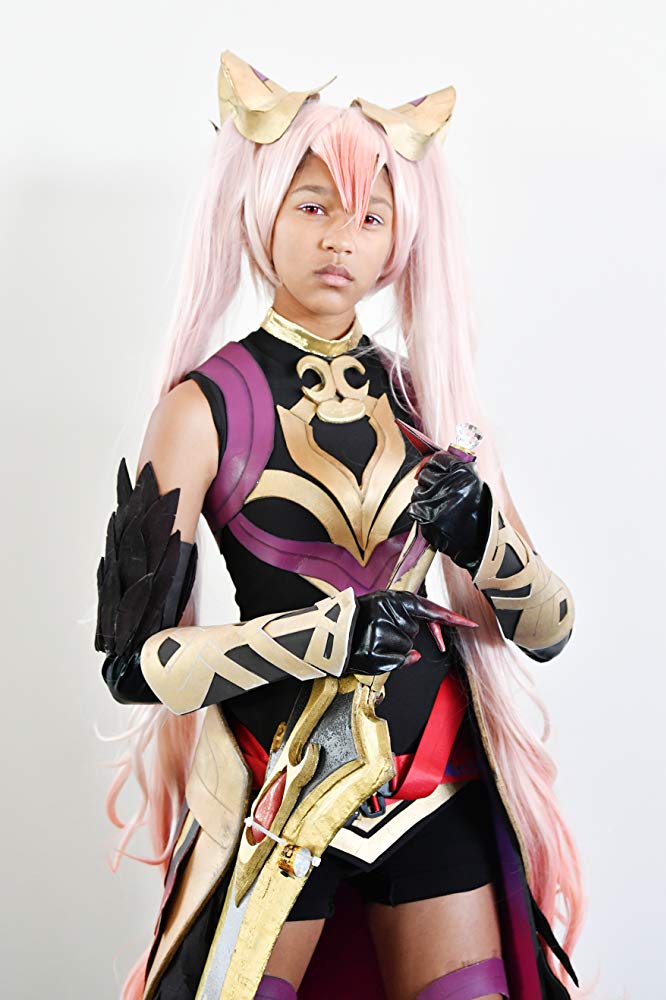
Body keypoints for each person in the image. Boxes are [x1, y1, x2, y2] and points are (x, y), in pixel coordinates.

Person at [95, 50, 586, 1000]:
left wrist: (483, 536)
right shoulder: (202, 409)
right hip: (276, 793)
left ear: (401, 235)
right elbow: (136, 664)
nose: (341, 241)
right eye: (314, 205)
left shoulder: (429, 397)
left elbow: (550, 628)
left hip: (432, 780)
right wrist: (330, 635)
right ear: (262, 210)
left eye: (371, 216)